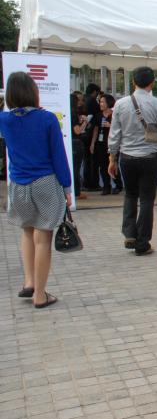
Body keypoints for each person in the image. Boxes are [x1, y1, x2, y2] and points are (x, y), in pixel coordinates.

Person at [1, 72, 72, 308]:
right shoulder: (47, 119)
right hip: (45, 182)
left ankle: (29, 282)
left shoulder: (4, 120)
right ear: (33, 91)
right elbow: (58, 156)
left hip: (18, 183)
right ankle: (40, 295)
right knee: (43, 238)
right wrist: (67, 187)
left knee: (26, 232)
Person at [108, 66, 157, 256]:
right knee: (147, 199)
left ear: (133, 82)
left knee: (130, 195)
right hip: (150, 157)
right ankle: (142, 242)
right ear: (152, 83)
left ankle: (130, 234)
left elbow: (114, 134)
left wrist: (112, 158)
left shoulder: (120, 104)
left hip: (127, 157)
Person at [91, 94, 123, 195]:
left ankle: (118, 185)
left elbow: (121, 128)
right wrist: (93, 143)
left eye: (103, 102)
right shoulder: (98, 115)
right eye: (100, 102)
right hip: (101, 143)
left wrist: (110, 125)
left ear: (108, 103)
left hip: (113, 143)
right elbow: (96, 130)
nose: (101, 104)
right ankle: (106, 186)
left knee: (114, 163)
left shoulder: (115, 115)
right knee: (103, 165)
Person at [83, 83, 101, 191]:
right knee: (93, 160)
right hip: (92, 134)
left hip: (83, 134)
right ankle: (93, 183)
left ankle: (86, 182)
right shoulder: (93, 102)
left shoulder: (83, 100)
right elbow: (96, 118)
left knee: (86, 160)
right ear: (94, 92)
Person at [70, 93, 89, 201]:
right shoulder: (73, 114)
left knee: (74, 168)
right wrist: (85, 123)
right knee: (76, 168)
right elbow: (77, 131)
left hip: (71, 141)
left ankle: (74, 190)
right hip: (76, 142)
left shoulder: (68, 112)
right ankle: (77, 191)